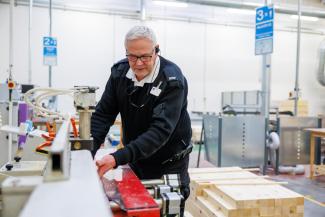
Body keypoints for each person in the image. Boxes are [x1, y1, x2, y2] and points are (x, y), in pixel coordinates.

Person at [91, 25, 192, 202]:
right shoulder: (120, 74)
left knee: (167, 207)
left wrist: (116, 158)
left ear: (156, 51)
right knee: (136, 203)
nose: (138, 63)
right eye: (132, 56)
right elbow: (103, 115)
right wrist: (87, 153)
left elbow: (159, 132)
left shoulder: (172, 80)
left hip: (169, 162)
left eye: (145, 56)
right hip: (138, 158)